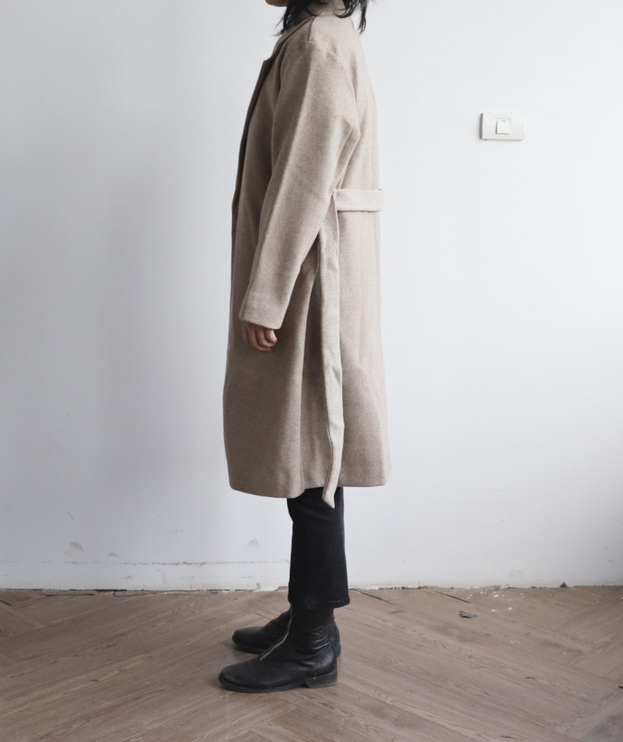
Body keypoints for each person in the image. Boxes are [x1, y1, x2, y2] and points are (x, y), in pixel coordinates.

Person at [219, 0, 390, 693]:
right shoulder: (319, 36)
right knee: (315, 456)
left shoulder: (319, 43)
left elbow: (303, 181)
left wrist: (267, 295)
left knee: (315, 459)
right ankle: (307, 618)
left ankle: (314, 640)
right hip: (319, 271)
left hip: (312, 280)